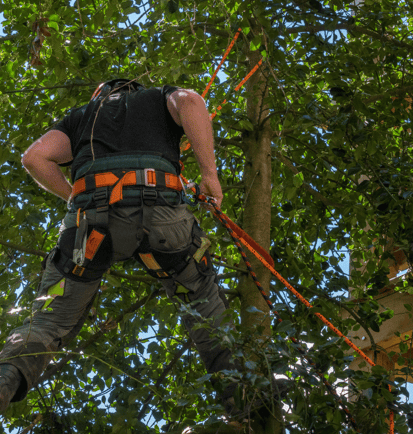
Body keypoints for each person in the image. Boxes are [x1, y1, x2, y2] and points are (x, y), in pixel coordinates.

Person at [0, 79, 238, 414]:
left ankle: (6, 377)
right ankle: (239, 393)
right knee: (201, 297)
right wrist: (209, 176)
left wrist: (76, 197)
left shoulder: (82, 116)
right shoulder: (158, 97)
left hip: (88, 227)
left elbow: (34, 158)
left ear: (99, 94)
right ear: (132, 90)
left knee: (50, 318)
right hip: (161, 215)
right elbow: (190, 102)